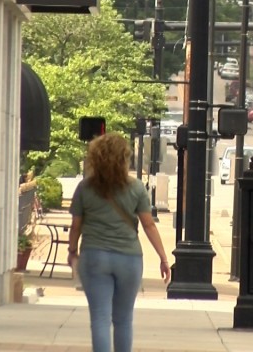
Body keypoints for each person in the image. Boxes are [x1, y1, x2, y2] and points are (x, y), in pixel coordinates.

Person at [67, 132, 171, 352]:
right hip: (129, 258)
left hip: (94, 256)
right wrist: (163, 258)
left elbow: (76, 226)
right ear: (124, 158)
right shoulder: (136, 188)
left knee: (100, 318)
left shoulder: (85, 188)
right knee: (124, 319)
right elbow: (149, 225)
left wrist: (72, 251)